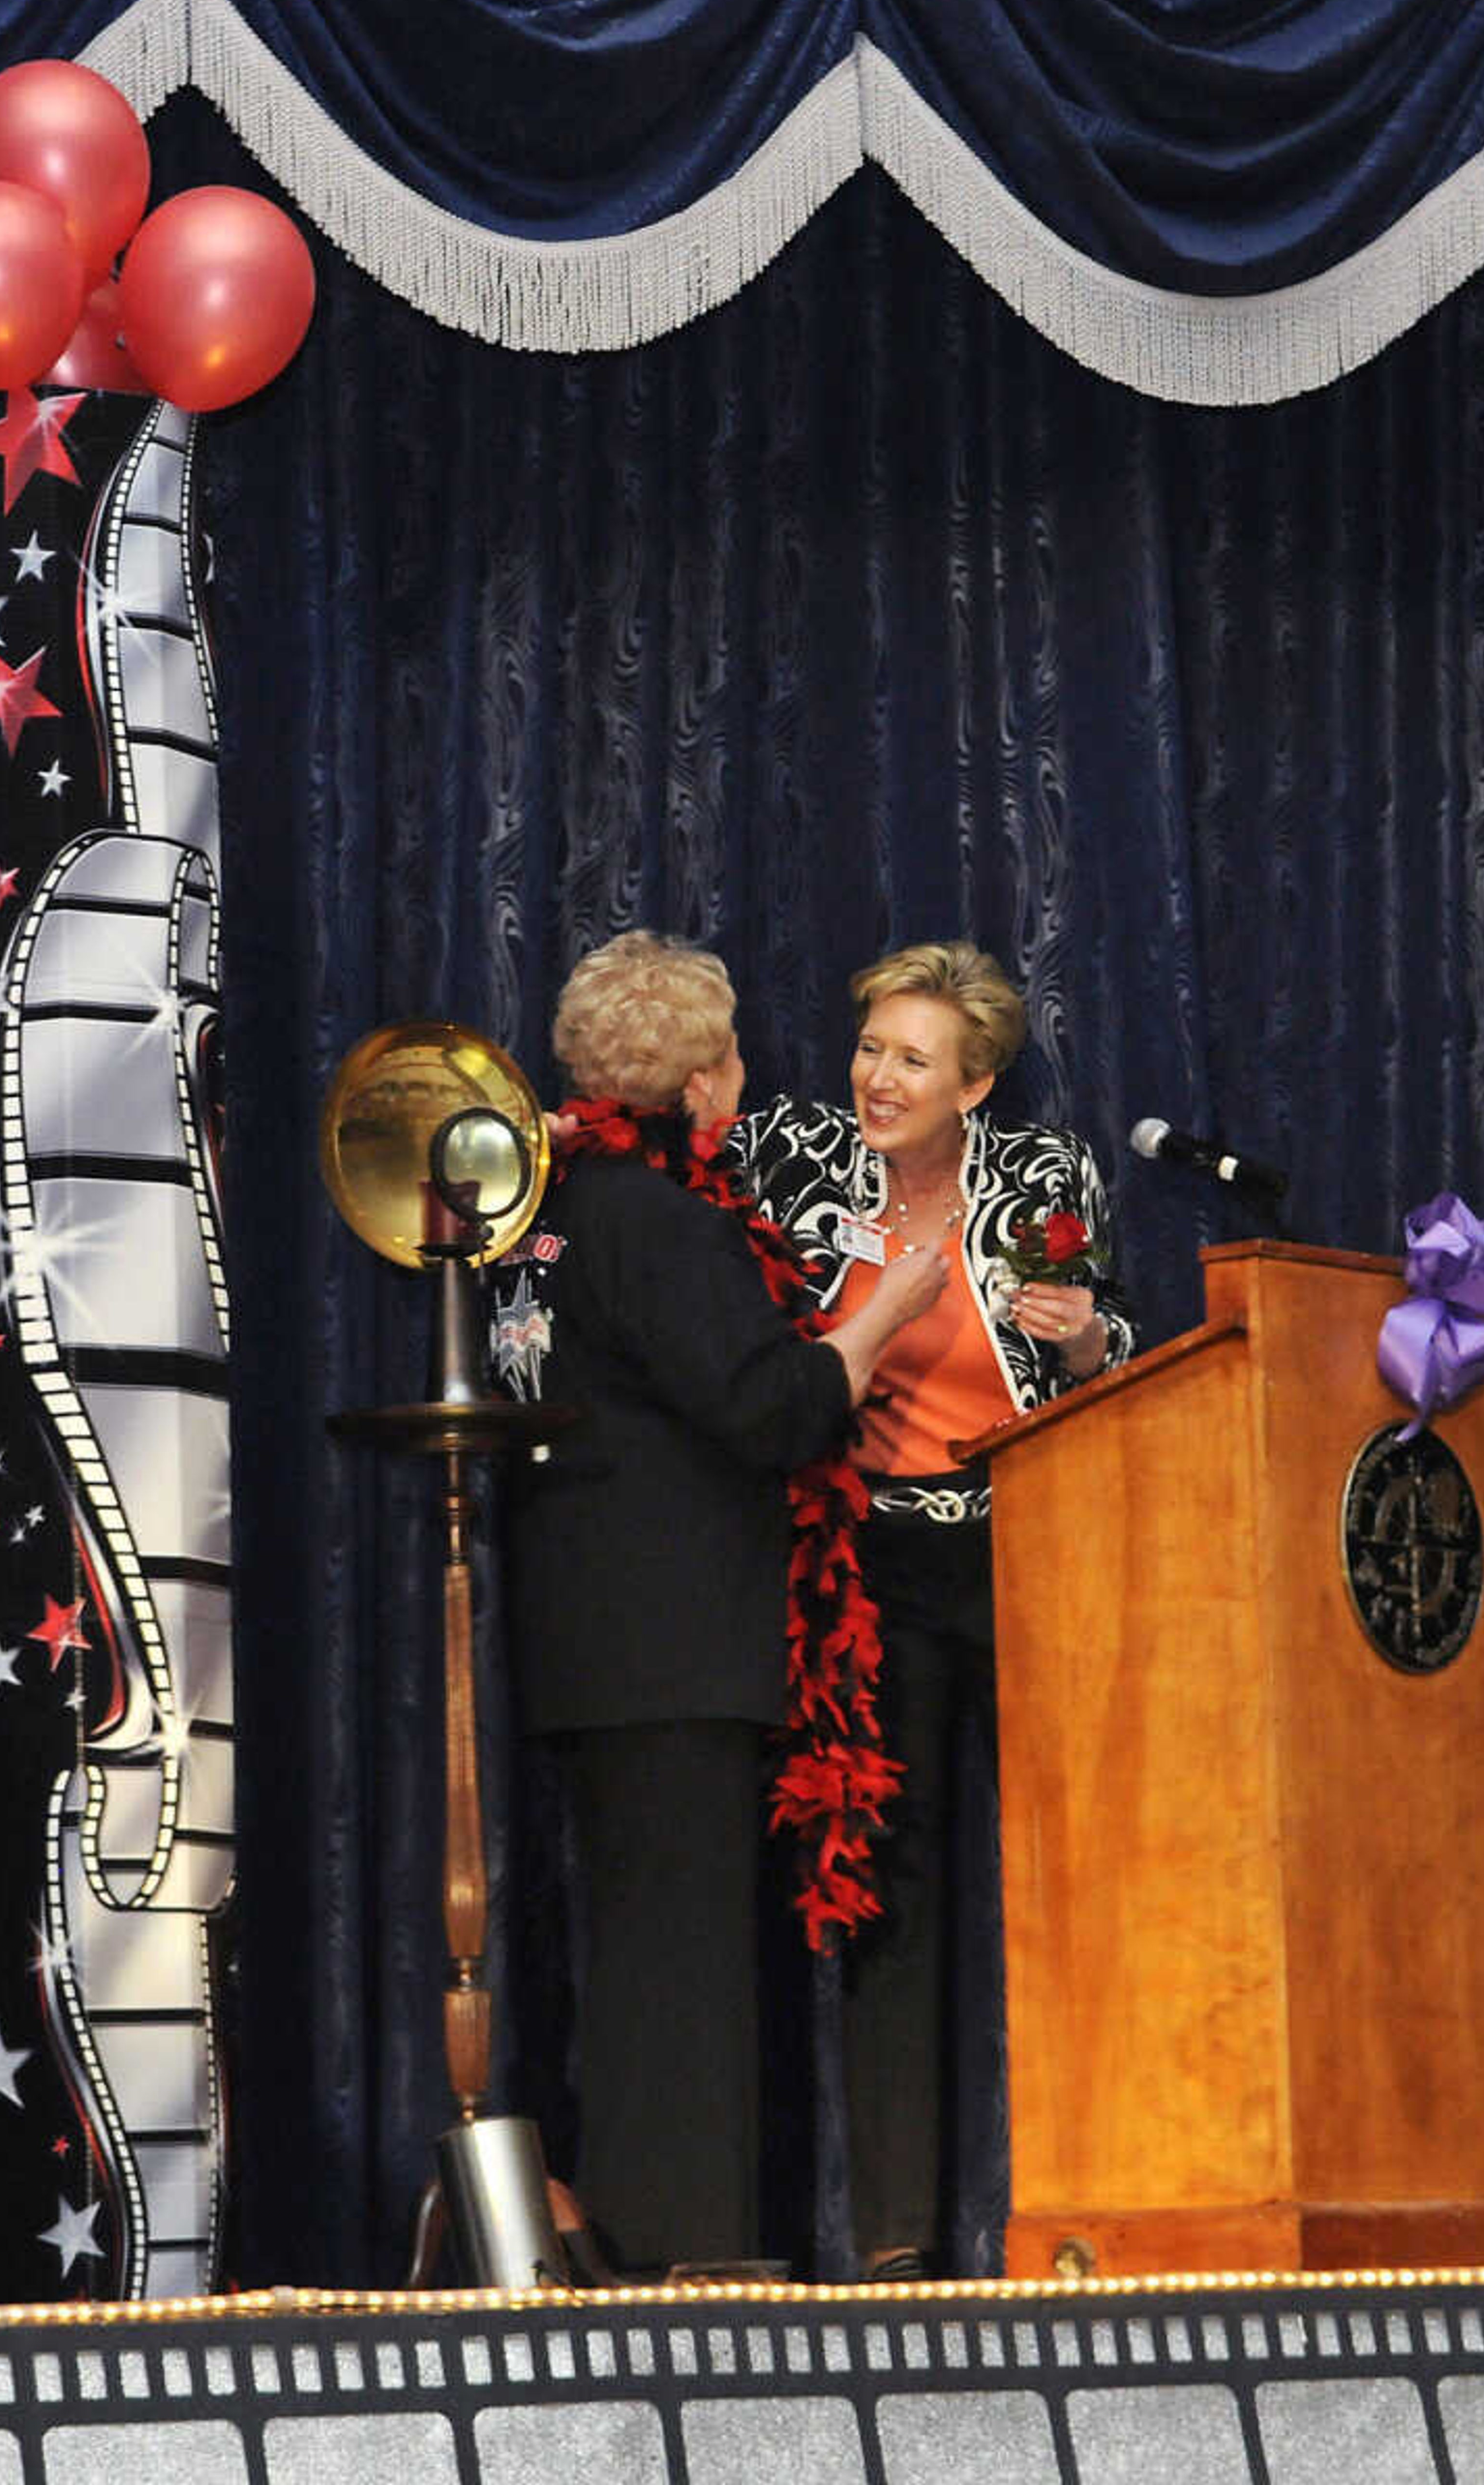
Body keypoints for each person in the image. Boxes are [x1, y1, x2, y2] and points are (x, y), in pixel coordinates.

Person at [490, 930, 946, 2277]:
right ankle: (686, 2261)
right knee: (683, 1972)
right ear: (697, 1079)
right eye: (734, 1052)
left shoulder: (548, 1208)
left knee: (641, 1964)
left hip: (591, 1643)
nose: (746, 1074)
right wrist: (883, 1315)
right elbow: (777, 1409)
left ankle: (645, 2243)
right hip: (673, 1647)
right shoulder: (656, 1220)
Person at [726, 938, 1135, 2279]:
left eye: (911, 1058)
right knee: (889, 1902)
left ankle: (1093, 2216)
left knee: (1074, 1888)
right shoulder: (797, 1163)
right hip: (870, 1570)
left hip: (1027, 1548)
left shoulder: (1043, 1178)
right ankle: (899, 2245)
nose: (878, 1077)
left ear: (978, 1083)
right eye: (870, 1049)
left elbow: (1112, 1347)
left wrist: (1085, 1344)